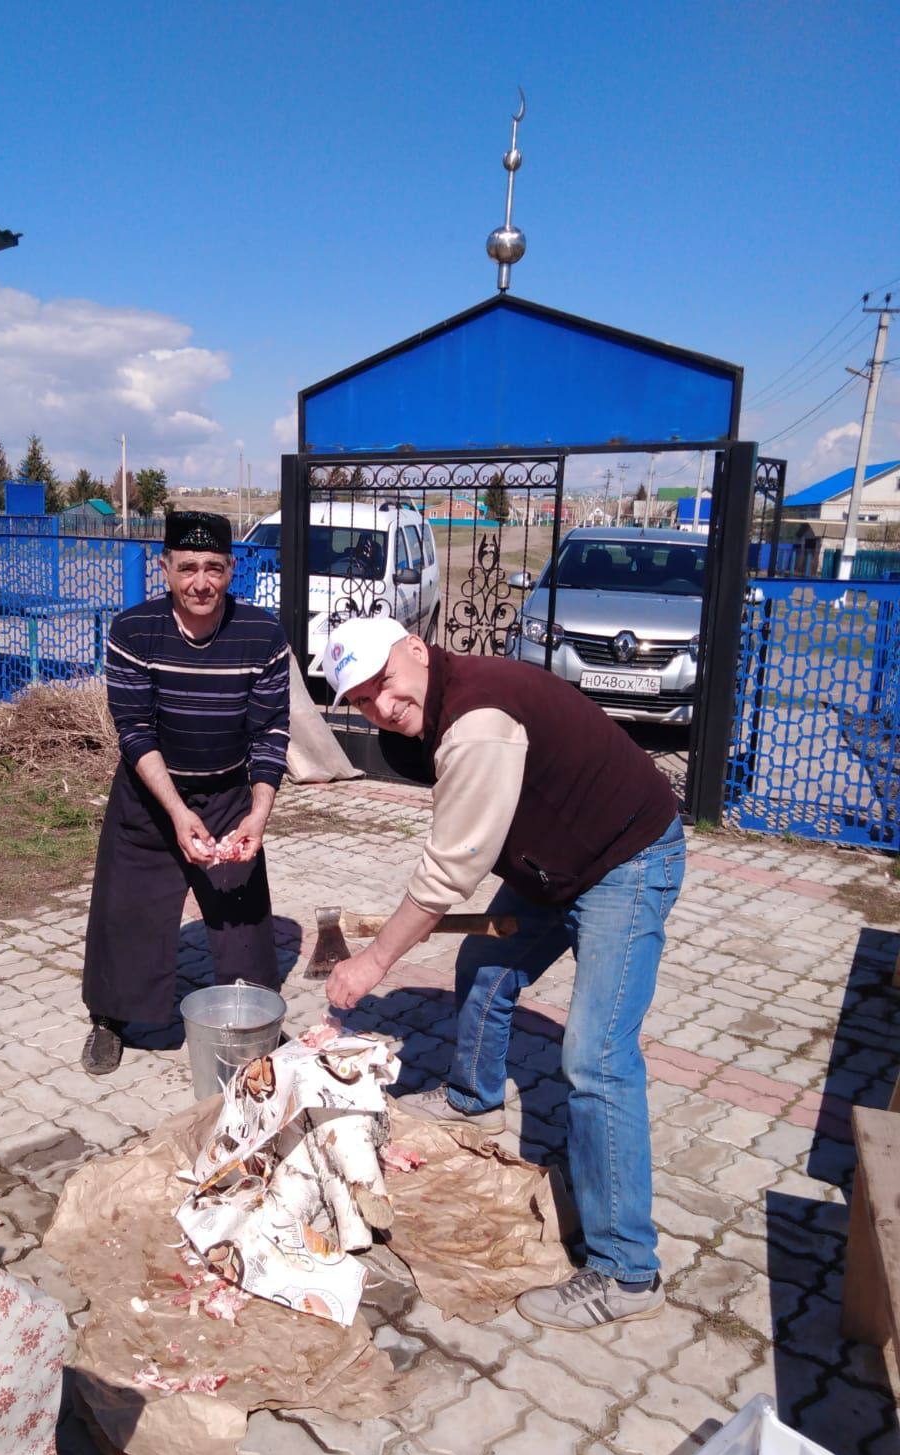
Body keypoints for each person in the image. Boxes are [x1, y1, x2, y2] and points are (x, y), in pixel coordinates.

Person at [320, 616, 685, 1331]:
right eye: (361, 702)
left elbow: (447, 871)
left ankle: (627, 1271)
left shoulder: (477, 720)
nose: (381, 710)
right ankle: (473, 1096)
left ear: (417, 650)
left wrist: (371, 961)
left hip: (626, 862)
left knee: (596, 1060)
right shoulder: (441, 702)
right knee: (485, 961)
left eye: (384, 685)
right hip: (558, 863)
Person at [81, 510, 289, 1073]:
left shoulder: (263, 635)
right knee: (127, 910)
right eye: (189, 567)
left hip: (227, 792)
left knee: (241, 920)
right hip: (151, 794)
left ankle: (255, 1017)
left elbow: (270, 731)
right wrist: (174, 809)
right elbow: (134, 728)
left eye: (215, 568)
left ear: (231, 571)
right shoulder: (132, 631)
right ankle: (111, 1018)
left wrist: (258, 814)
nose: (202, 582)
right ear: (165, 568)